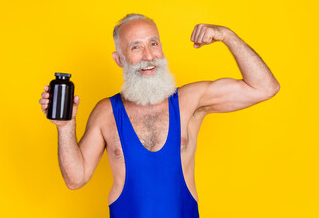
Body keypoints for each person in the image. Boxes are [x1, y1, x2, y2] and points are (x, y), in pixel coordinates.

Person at [39, 13, 280, 218]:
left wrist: (228, 36)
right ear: (119, 59)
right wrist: (65, 126)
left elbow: (265, 87)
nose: (148, 55)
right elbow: (75, 179)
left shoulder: (190, 102)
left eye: (154, 43)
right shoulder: (106, 113)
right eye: (136, 47)